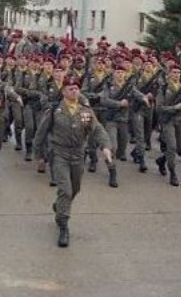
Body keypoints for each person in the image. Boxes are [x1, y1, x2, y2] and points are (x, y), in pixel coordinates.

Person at [33, 76, 112, 248]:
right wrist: (39, 156)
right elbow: (41, 134)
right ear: (63, 91)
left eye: (76, 88)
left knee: (75, 189)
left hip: (78, 155)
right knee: (66, 190)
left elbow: (97, 129)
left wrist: (105, 146)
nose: (74, 91)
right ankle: (63, 225)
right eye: (70, 88)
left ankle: (59, 206)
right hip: (59, 154)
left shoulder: (85, 111)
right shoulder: (54, 110)